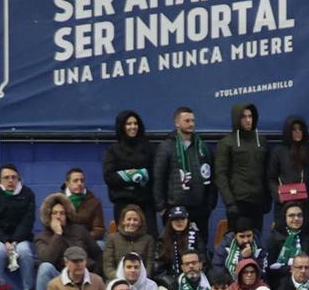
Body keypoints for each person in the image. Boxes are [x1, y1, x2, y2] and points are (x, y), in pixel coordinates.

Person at [153, 106, 218, 243]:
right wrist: (162, 207)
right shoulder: (166, 147)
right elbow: (158, 178)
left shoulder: (203, 147)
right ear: (177, 123)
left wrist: (210, 204)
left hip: (200, 210)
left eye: (193, 121)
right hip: (175, 209)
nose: (191, 124)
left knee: (199, 248)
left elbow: (212, 177)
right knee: (174, 249)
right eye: (187, 121)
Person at [214, 103, 271, 244]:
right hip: (238, 203)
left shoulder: (262, 142)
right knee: (238, 243)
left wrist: (268, 198)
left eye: (250, 116)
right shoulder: (226, 143)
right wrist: (229, 202)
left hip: (257, 203)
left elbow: (267, 173)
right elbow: (220, 175)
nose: (248, 120)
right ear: (236, 119)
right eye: (244, 117)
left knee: (256, 242)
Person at [0, 163, 37, 290]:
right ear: (0, 180)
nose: (10, 180)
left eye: (14, 177)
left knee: (25, 252)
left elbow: (28, 222)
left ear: (19, 179)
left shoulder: (28, 194)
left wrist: (15, 241)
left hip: (21, 239)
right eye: (6, 178)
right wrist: (5, 241)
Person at [103, 111, 157, 223]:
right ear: (122, 126)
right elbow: (109, 177)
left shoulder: (149, 148)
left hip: (146, 204)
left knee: (150, 238)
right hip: (122, 203)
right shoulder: (113, 150)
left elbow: (155, 173)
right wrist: (136, 175)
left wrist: (135, 174)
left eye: (135, 123)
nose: (133, 127)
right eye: (128, 124)